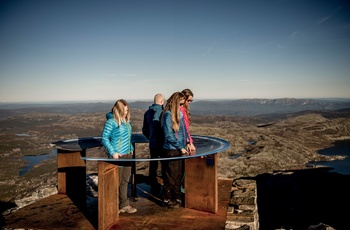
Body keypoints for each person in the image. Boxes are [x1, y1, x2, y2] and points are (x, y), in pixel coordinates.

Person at [101, 99, 137, 214]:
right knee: (115, 182)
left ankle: (123, 205)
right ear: (118, 110)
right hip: (117, 156)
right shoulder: (112, 122)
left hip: (127, 155)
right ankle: (111, 206)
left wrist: (131, 148)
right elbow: (105, 138)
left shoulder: (127, 122)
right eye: (124, 110)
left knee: (125, 180)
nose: (126, 113)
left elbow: (128, 138)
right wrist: (113, 152)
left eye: (127, 110)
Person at [161, 92, 189, 209]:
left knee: (178, 175)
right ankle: (167, 198)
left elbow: (183, 132)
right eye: (181, 103)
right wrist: (180, 147)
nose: (182, 106)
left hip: (179, 148)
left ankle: (176, 197)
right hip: (172, 149)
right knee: (171, 175)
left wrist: (187, 143)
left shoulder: (179, 115)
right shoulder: (168, 115)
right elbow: (169, 135)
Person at [142, 93, 165, 192]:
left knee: (153, 163)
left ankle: (152, 182)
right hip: (163, 143)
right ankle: (165, 184)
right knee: (165, 164)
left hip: (153, 142)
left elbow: (144, 129)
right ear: (162, 102)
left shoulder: (147, 113)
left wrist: (150, 137)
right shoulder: (164, 112)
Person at [181, 88, 196, 153]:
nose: (189, 102)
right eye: (188, 100)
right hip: (182, 141)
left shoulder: (184, 109)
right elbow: (184, 128)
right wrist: (188, 142)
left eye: (191, 101)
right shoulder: (181, 110)